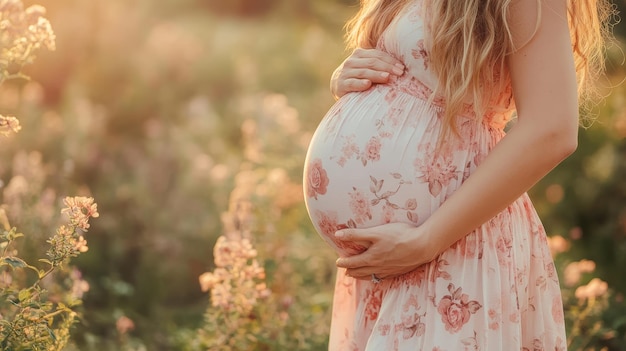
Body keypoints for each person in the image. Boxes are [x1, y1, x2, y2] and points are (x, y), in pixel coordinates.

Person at [303, 0, 614, 350]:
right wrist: (349, 76)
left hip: (451, 247)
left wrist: (427, 240)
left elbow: (552, 128)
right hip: (394, 261)